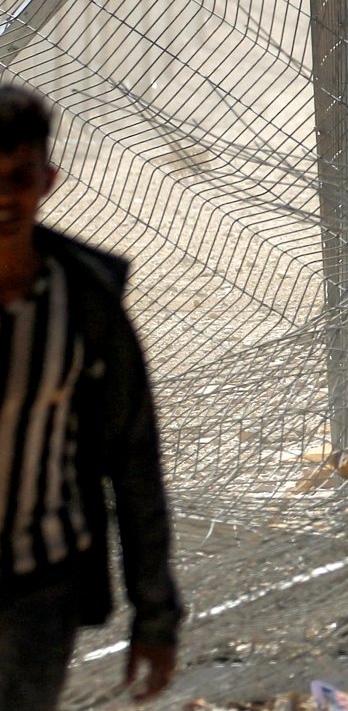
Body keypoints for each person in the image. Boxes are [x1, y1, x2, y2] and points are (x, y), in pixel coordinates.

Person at [0, 86, 182, 709]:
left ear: (46, 179)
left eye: (18, 177)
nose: (3, 197)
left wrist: (155, 618)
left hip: (38, 592)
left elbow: (133, 461)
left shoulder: (84, 304)